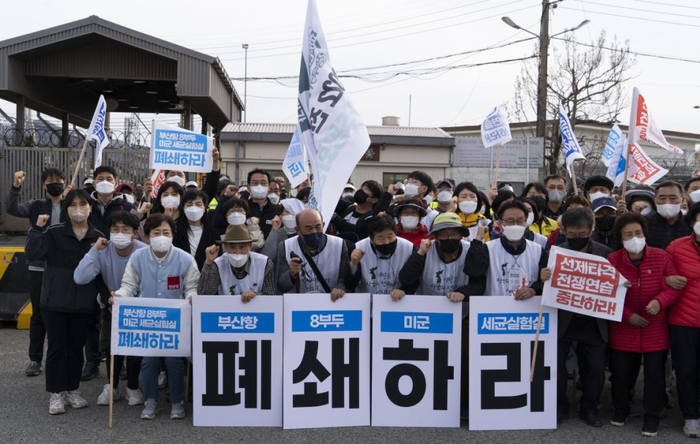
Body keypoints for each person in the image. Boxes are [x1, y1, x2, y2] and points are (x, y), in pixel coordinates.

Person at [398, 212, 488, 420]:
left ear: (461, 235)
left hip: (462, 315)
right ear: (435, 237)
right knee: (428, 360)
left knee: (465, 359)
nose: (449, 239)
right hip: (429, 318)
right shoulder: (424, 249)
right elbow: (407, 279)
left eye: (454, 234)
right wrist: (420, 254)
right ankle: (424, 400)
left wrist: (463, 293)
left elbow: (479, 281)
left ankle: (463, 402)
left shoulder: (471, 249)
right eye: (444, 235)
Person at [110, 214, 200, 420]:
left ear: (173, 235)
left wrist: (192, 297)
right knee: (149, 361)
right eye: (156, 233)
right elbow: (129, 285)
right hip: (147, 319)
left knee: (173, 360)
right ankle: (151, 400)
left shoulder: (185, 259)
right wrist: (119, 296)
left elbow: (191, 286)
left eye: (166, 233)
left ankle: (177, 400)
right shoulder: (138, 257)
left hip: (175, 320)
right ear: (148, 236)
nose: (161, 237)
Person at [25, 189, 104, 415]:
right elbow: (33, 254)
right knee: (57, 347)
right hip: (54, 301)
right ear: (66, 209)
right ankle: (56, 393)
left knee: (76, 348)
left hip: (83, 303)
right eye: (73, 205)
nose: (78, 209)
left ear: (90, 208)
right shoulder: (53, 232)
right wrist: (37, 229)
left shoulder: (97, 237)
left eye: (83, 204)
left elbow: (101, 272)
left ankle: (72, 389)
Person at [606, 212, 681, 437]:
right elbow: (606, 294)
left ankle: (652, 416)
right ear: (621, 238)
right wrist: (627, 315)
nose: (634, 238)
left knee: (654, 376)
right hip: (623, 328)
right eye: (628, 234)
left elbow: (674, 287)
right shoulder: (612, 260)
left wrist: (659, 301)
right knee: (621, 374)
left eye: (638, 233)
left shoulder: (661, 256)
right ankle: (621, 409)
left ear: (645, 233)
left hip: (655, 328)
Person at [541, 207, 612, 427]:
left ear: (591, 229)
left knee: (596, 369)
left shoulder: (606, 253)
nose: (577, 237)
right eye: (571, 234)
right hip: (563, 321)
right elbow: (542, 285)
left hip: (594, 321)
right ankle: (559, 406)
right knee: (555, 367)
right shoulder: (554, 253)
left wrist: (621, 284)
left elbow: (614, 284)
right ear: (563, 230)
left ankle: (590, 408)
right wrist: (543, 276)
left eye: (582, 233)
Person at [73, 211, 147, 407]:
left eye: (125, 229)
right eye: (115, 229)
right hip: (110, 306)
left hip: (137, 306)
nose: (120, 233)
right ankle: (111, 386)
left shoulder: (144, 251)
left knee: (135, 348)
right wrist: (94, 250)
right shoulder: (102, 251)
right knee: (112, 346)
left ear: (134, 233)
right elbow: (80, 277)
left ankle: (133, 386)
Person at [7, 168, 67, 377]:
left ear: (65, 182)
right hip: (39, 265)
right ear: (44, 185)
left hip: (65, 266)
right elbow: (13, 208)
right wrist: (16, 186)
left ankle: (63, 357)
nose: (55, 183)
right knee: (39, 313)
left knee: (65, 313)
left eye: (58, 180)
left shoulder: (72, 204)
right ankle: (35, 359)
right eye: (50, 181)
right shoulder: (36, 205)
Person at [666, 203, 700, 437]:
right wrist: (667, 281)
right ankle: (691, 416)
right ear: (692, 222)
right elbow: (660, 274)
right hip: (683, 321)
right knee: (686, 370)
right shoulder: (676, 247)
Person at [276, 209, 348, 301]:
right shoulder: (285, 246)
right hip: (299, 305)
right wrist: (291, 274)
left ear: (323, 225)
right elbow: (281, 287)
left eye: (318, 227)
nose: (314, 231)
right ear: (297, 230)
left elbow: (344, 279)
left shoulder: (339, 245)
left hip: (330, 303)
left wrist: (340, 288)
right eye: (308, 228)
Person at [482, 200, 546, 297]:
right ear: (499, 223)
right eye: (510, 221)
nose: (515, 225)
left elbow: (543, 282)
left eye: (520, 221)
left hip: (527, 305)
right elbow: (476, 281)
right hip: (495, 305)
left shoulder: (538, 251)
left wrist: (534, 290)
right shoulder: (487, 249)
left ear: (526, 222)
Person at [345, 214, 415, 298]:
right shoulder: (359, 248)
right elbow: (350, 285)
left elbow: (414, 279)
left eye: (390, 236)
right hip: (367, 301)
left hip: (396, 301)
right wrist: (353, 264)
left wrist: (404, 291)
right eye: (380, 238)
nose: (386, 242)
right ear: (371, 239)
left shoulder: (408, 248)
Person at [197, 224, 277, 297]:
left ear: (250, 246)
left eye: (242, 247)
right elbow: (204, 294)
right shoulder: (218, 264)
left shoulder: (264, 263)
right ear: (225, 247)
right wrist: (208, 263)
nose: (237, 252)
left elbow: (271, 296)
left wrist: (255, 295)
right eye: (232, 247)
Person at [216, 168, 282, 239]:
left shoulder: (277, 210)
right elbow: (217, 222)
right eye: (255, 183)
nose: (259, 186)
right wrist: (225, 196)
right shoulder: (241, 209)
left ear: (268, 187)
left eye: (263, 183)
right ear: (249, 187)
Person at [173, 189, 218, 270]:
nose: (194, 208)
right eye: (189, 204)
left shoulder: (213, 234)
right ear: (183, 209)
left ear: (204, 208)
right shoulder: (175, 232)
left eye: (198, 204)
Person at [647, 181, 692, 250]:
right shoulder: (645, 223)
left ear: (682, 200)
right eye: (662, 198)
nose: (667, 202)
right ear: (655, 201)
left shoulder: (691, 223)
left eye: (673, 198)